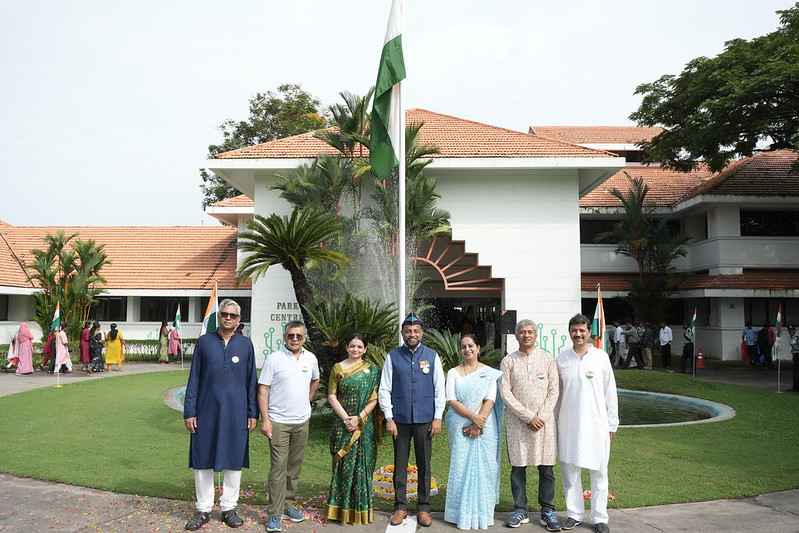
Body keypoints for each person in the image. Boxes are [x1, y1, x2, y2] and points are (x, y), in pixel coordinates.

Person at [183, 299, 257, 531]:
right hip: (206, 411)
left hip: (236, 413)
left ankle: (229, 508)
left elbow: (251, 381)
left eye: (233, 315)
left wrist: (252, 412)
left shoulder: (246, 345)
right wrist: (189, 411)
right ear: (219, 316)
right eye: (224, 314)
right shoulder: (205, 342)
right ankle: (203, 509)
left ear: (238, 320)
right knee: (202, 459)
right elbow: (194, 378)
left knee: (233, 460)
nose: (228, 318)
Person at [378, 313, 446, 528]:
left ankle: (424, 508)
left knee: (424, 464)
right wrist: (389, 417)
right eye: (408, 331)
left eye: (416, 331)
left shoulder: (432, 356)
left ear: (422, 333)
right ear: (402, 333)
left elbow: (440, 390)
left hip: (425, 420)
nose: (412, 334)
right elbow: (384, 389)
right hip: (400, 421)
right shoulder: (393, 357)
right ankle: (400, 507)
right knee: (400, 464)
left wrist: (437, 418)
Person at [557, 314, 618, 533]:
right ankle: (574, 514)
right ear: (570, 332)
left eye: (582, 330)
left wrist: (612, 424)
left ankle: (600, 518)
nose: (578, 333)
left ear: (588, 332)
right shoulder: (562, 359)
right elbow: (557, 394)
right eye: (574, 330)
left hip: (597, 425)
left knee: (599, 472)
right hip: (568, 425)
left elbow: (610, 392)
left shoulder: (600, 357)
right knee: (570, 471)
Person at [499, 320, 561, 531]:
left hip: (544, 424)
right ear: (516, 336)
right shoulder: (509, 361)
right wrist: (527, 416)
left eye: (530, 332)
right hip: (518, 423)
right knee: (518, 467)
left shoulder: (547, 359)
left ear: (536, 335)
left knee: (547, 469)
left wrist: (540, 416)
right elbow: (505, 393)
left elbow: (554, 391)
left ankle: (548, 510)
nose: (526, 335)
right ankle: (520, 509)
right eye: (522, 332)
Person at [259, 321, 320, 532]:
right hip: (278, 423)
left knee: (294, 467)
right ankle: (274, 514)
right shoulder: (274, 359)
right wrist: (265, 419)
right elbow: (263, 390)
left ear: (304, 338)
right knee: (278, 468)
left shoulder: (310, 358)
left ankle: (288, 504)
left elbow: (316, 381)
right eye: (291, 335)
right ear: (285, 337)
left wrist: (307, 401)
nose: (294, 339)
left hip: (301, 422)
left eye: (298, 336)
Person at [444, 334, 503, 530]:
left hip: (485, 426)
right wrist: (472, 417)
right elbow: (451, 400)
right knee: (460, 467)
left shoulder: (489, 373)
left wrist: (479, 423)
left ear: (478, 348)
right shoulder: (453, 372)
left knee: (485, 468)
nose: (467, 349)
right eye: (463, 346)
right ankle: (459, 514)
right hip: (460, 424)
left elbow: (490, 399)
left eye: (471, 346)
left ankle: (483, 514)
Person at [325, 334, 380, 525]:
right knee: (343, 465)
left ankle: (360, 509)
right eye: (352, 346)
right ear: (346, 348)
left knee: (362, 466)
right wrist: (347, 418)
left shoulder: (372, 370)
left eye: (359, 347)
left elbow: (375, 398)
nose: (355, 349)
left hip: (364, 426)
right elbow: (332, 395)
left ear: (365, 349)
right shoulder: (338, 368)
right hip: (343, 424)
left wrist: (360, 418)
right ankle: (339, 510)